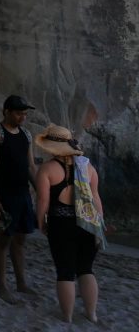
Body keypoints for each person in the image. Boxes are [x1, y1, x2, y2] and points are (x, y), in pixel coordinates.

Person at [34, 124, 106, 323]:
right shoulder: (88, 167)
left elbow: (42, 201)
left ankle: (67, 316)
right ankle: (91, 314)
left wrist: (40, 221)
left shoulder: (47, 169)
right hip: (89, 224)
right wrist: (100, 224)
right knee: (86, 269)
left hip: (61, 226)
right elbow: (96, 198)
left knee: (65, 271)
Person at [0, 94, 39, 304]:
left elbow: (31, 167)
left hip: (23, 194)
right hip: (4, 194)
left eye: (24, 113)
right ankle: (2, 286)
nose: (22, 117)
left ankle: (21, 283)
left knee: (21, 239)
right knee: (3, 241)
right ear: (6, 111)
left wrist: (40, 191)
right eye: (18, 113)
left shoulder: (26, 135)